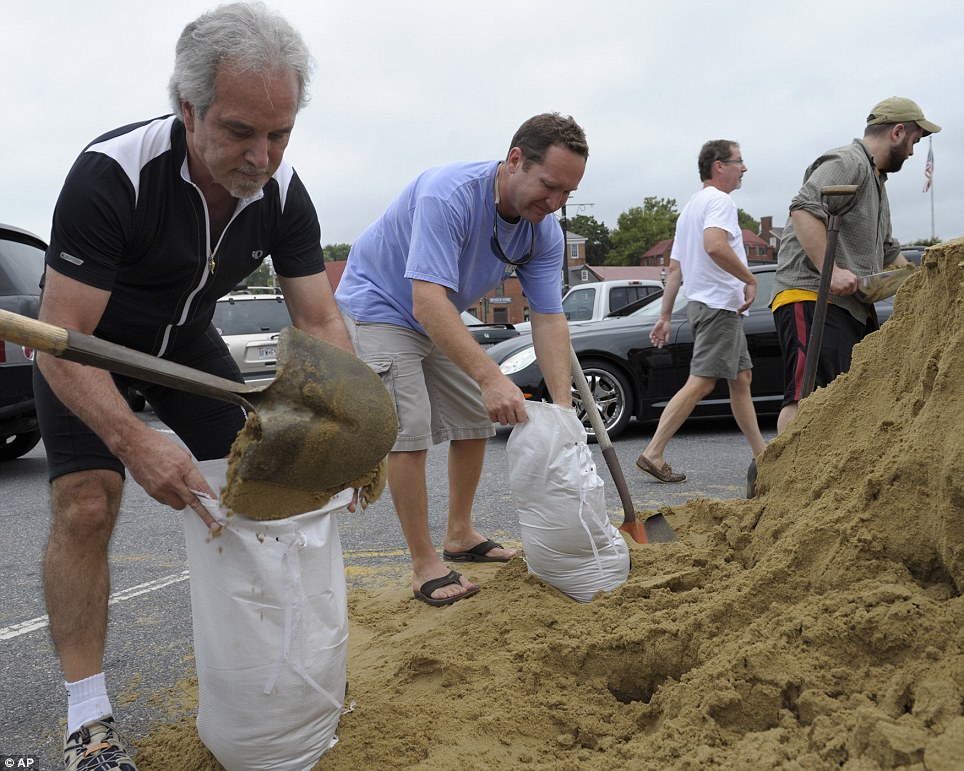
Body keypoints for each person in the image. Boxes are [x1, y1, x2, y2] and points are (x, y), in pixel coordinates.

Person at [34, 4, 351, 769]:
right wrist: (134, 440)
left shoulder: (283, 190)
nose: (262, 154)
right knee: (86, 504)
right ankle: (89, 720)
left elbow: (319, 320)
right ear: (189, 108)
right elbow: (62, 337)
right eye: (242, 131)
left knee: (267, 484)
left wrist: (340, 421)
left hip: (185, 348)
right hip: (87, 350)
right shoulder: (112, 174)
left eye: (280, 133)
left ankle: (272, 680)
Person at [335, 113, 588, 607]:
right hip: (382, 303)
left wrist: (562, 409)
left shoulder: (544, 231)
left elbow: (549, 318)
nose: (555, 203)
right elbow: (425, 300)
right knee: (410, 428)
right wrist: (491, 376)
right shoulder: (447, 195)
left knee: (475, 416)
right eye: (549, 186)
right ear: (515, 161)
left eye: (567, 194)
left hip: (436, 310)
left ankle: (460, 533)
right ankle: (424, 560)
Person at [770, 97, 940, 434]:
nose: (912, 152)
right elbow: (803, 208)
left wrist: (925, 286)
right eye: (914, 142)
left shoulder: (876, 182)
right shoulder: (848, 161)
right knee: (807, 399)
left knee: (842, 402)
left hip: (850, 307)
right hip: (810, 297)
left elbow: (889, 251)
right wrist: (830, 272)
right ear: (898, 131)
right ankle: (777, 479)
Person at [635, 140, 766, 484]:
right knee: (702, 382)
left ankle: (763, 456)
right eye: (739, 161)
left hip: (707, 306)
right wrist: (749, 279)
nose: (744, 168)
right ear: (719, 166)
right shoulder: (720, 201)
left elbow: (675, 270)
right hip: (719, 306)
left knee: (741, 380)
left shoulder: (691, 207)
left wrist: (664, 316)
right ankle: (653, 452)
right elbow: (715, 245)